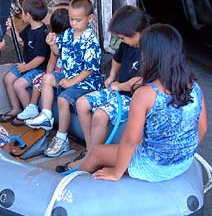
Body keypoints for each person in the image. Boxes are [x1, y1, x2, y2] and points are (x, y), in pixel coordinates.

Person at [79, 23, 208, 182]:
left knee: (96, 152)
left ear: (149, 55)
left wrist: (116, 172)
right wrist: (182, 152)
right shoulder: (194, 87)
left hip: (153, 167)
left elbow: (130, 141)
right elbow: (202, 128)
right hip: (184, 161)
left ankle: (74, 187)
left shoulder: (145, 94)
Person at [59, 5, 148, 171]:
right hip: (118, 89)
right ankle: (90, 150)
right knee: (82, 103)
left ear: (136, 32)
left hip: (135, 97)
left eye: (123, 37)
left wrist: (118, 85)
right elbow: (117, 59)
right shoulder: (127, 43)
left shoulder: (149, 48)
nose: (121, 40)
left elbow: (140, 81)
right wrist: (113, 75)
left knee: (100, 115)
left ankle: (93, 159)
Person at [25, 0, 102, 157]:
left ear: (90, 18)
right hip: (68, 75)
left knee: (63, 99)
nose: (73, 23)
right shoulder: (67, 34)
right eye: (71, 19)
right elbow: (58, 53)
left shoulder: (91, 41)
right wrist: (52, 43)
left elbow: (90, 69)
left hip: (86, 82)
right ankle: (46, 115)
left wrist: (72, 81)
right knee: (47, 78)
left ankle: (62, 138)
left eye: (78, 20)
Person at [0, 0, 49, 124]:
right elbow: (21, 40)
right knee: (8, 79)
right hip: (27, 64)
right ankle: (16, 108)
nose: (20, 14)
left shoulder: (42, 33)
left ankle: (30, 113)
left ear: (28, 15)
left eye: (21, 12)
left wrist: (25, 68)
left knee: (18, 85)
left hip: (38, 69)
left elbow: (40, 58)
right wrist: (12, 27)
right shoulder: (30, 28)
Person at [17, 8, 70, 120]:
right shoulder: (54, 39)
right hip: (56, 73)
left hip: (67, 74)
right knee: (40, 79)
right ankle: (32, 107)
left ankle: (34, 108)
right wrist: (47, 74)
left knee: (42, 79)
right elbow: (52, 60)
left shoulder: (70, 41)